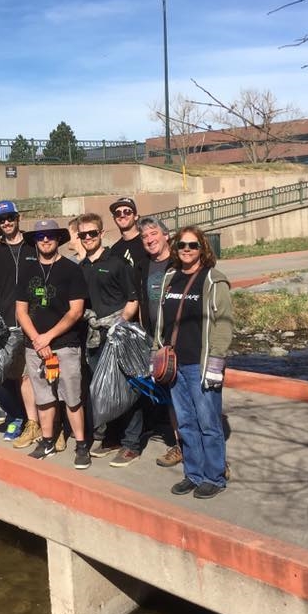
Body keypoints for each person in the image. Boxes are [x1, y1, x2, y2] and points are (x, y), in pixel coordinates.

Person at [154, 226, 234, 499]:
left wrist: (216, 363)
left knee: (208, 423)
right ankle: (194, 474)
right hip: (175, 365)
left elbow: (223, 326)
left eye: (193, 245)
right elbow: (163, 322)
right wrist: (157, 350)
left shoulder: (213, 280)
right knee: (186, 423)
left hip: (200, 365)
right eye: (181, 246)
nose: (186, 250)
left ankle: (214, 477)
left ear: (203, 248)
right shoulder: (170, 278)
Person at [16, 219, 91, 469]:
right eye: (40, 237)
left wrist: (48, 337)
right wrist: (38, 339)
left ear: (58, 239)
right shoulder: (27, 271)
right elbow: (21, 312)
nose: (45, 240)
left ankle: (81, 445)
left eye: (50, 236)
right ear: (35, 241)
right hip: (35, 347)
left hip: (64, 345)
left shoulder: (71, 270)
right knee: (44, 397)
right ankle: (47, 441)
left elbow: (75, 311)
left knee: (72, 397)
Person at [110, 217, 180, 468]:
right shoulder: (142, 267)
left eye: (153, 234)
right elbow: (138, 302)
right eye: (144, 237)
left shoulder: (180, 262)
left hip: (181, 339)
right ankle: (180, 445)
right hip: (154, 340)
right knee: (172, 395)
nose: (149, 240)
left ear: (166, 235)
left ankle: (206, 453)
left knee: (190, 395)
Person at [76, 213, 139, 458]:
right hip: (92, 337)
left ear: (101, 234)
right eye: (83, 234)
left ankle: (132, 443)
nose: (88, 238)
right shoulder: (80, 268)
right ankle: (111, 437)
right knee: (101, 390)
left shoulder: (117, 263)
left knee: (125, 388)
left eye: (92, 233)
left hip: (116, 335)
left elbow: (132, 301)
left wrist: (119, 326)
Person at [0, 200, 44, 447]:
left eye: (10, 218)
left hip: (34, 322)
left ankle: (40, 424)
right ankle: (23, 419)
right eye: (2, 220)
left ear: (18, 217)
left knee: (32, 376)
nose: (6, 223)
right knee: (10, 376)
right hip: (5, 324)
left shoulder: (34, 246)